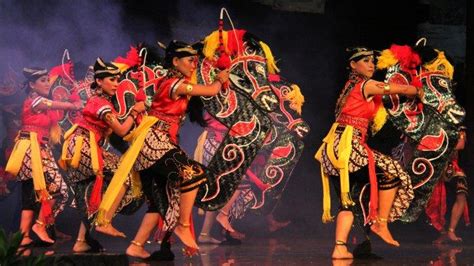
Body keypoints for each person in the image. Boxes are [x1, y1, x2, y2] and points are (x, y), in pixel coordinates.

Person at [98, 40, 229, 259]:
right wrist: (219, 79)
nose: (193, 65)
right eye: (189, 61)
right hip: (154, 141)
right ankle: (183, 225)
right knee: (192, 173)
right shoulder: (174, 84)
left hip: (160, 142)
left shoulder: (176, 82)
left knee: (163, 201)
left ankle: (137, 245)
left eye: (195, 62)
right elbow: (210, 90)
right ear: (175, 61)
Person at [315, 47, 418, 259]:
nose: (371, 64)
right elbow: (392, 89)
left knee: (349, 199)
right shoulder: (366, 84)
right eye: (365, 61)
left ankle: (340, 247)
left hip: (333, 147)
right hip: (348, 146)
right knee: (392, 174)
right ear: (353, 65)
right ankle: (381, 224)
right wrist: (416, 89)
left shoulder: (349, 86)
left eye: (373, 61)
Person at [59, 58, 145, 253]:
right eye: (112, 80)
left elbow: (109, 131)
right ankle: (105, 221)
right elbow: (122, 131)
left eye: (117, 80)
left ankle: (81, 240)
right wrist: (134, 112)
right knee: (125, 174)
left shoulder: (103, 102)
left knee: (95, 192)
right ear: (99, 81)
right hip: (84, 146)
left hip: (87, 145)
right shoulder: (99, 102)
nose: (116, 84)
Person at [5, 67, 80, 253]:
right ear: (32, 84)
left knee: (30, 195)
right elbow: (53, 104)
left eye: (48, 80)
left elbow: (54, 109)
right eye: (43, 80)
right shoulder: (35, 101)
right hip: (31, 148)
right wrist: (74, 105)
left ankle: (23, 237)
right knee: (60, 189)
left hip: (38, 148)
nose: (47, 83)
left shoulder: (42, 104)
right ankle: (39, 224)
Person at [427, 126, 469, 244]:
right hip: (433, 165)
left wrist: (438, 146)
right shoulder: (433, 123)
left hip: (452, 167)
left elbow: (460, 145)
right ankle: (442, 232)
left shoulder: (459, 128)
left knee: (462, 193)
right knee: (434, 201)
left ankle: (451, 230)